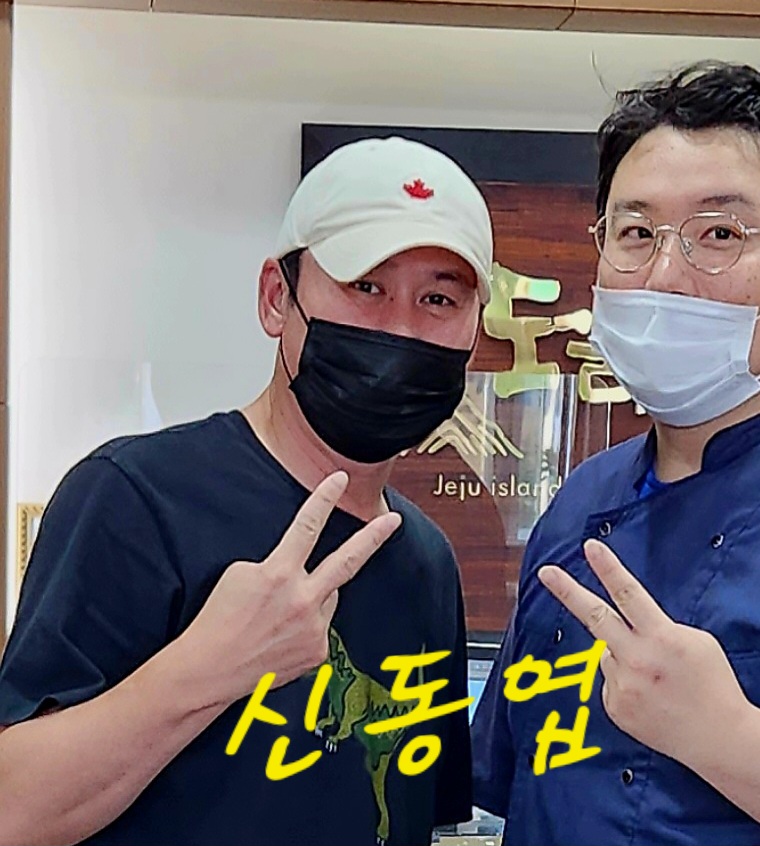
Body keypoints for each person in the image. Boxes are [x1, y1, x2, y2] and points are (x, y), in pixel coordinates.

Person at [0, 136, 494, 846]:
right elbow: (13, 808)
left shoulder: (427, 561)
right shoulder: (134, 499)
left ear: (473, 334)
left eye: (438, 299)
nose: (400, 328)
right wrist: (209, 669)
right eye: (365, 286)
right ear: (276, 298)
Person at [471, 60, 760, 845]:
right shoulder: (580, 502)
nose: (664, 275)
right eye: (635, 234)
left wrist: (731, 740)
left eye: (720, 234)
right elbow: (517, 778)